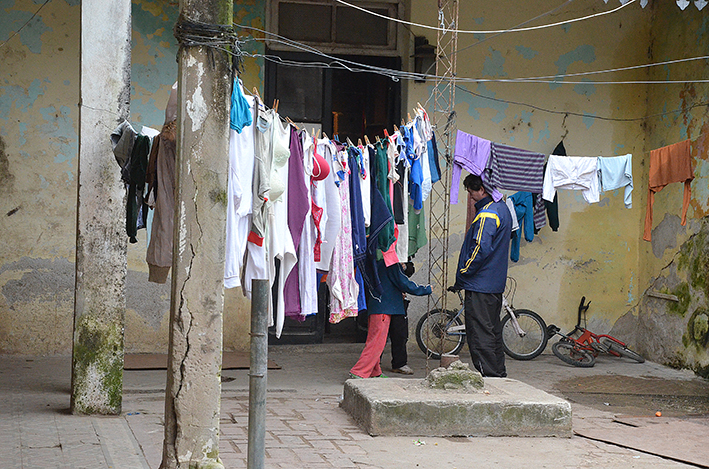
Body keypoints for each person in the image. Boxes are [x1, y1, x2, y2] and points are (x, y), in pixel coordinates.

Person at [455, 174, 512, 377]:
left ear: (483, 190)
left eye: (472, 192)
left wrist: (464, 271)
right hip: (494, 284)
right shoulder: (503, 209)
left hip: (480, 284)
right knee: (492, 331)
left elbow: (480, 247)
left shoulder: (488, 214)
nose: (471, 197)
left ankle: (488, 375)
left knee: (480, 334)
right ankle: (498, 373)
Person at [350, 260, 432, 379]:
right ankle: (359, 371)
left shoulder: (374, 262)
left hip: (377, 306)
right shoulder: (391, 264)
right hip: (385, 308)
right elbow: (404, 283)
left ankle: (375, 370)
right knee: (376, 343)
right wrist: (426, 289)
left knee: (376, 341)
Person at [389, 261, 416, 374]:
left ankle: (399, 364)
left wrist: (405, 267)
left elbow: (410, 270)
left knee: (400, 334)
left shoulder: (404, 252)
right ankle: (374, 364)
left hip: (400, 300)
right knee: (378, 335)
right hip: (384, 297)